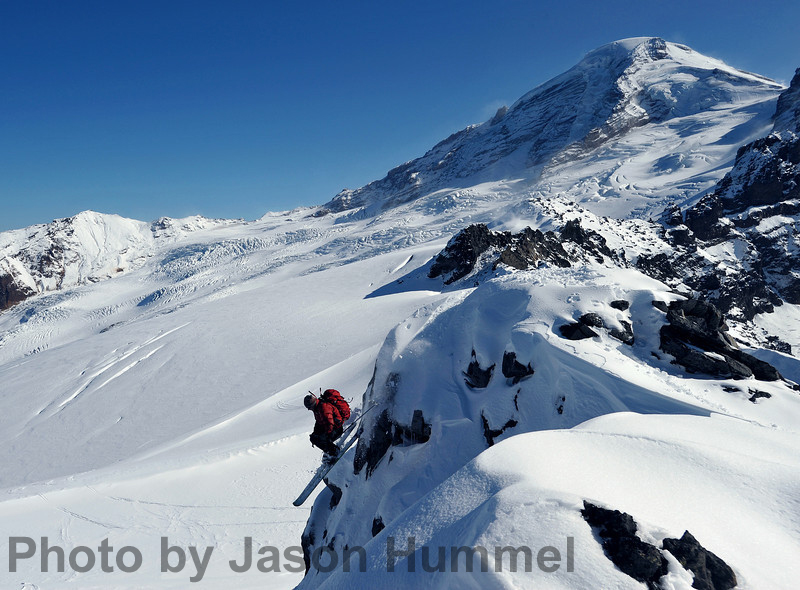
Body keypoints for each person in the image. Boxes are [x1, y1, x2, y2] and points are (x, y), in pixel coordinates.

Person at [304, 389, 350, 458]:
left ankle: (334, 452)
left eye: (309, 408)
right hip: (331, 427)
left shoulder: (323, 407)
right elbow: (319, 423)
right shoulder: (317, 408)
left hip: (337, 428)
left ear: (312, 405)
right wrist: (315, 434)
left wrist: (325, 436)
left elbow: (329, 423)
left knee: (321, 439)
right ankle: (329, 450)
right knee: (314, 438)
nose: (309, 409)